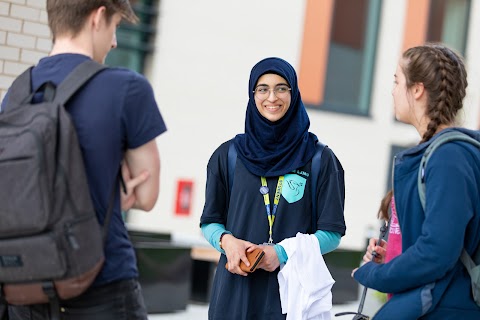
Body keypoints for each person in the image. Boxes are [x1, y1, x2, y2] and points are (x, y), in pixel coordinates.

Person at [1, 0, 166, 319]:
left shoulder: (17, 92)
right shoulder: (127, 87)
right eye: (116, 26)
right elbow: (146, 196)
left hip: (25, 286)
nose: (115, 41)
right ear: (98, 16)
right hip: (101, 286)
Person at [200, 57, 346, 319]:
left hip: (293, 300)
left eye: (281, 88)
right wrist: (227, 243)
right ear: (252, 95)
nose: (272, 97)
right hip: (234, 299)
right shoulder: (228, 156)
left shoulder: (320, 159)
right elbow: (210, 222)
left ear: (294, 92)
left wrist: (282, 253)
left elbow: (332, 233)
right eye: (262, 89)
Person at [353, 43, 480, 319]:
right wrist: (390, 257)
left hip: (443, 308)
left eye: (397, 81)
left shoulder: (448, 157)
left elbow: (437, 251)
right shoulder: (437, 154)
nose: (393, 90)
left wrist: (376, 274)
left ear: (418, 90)